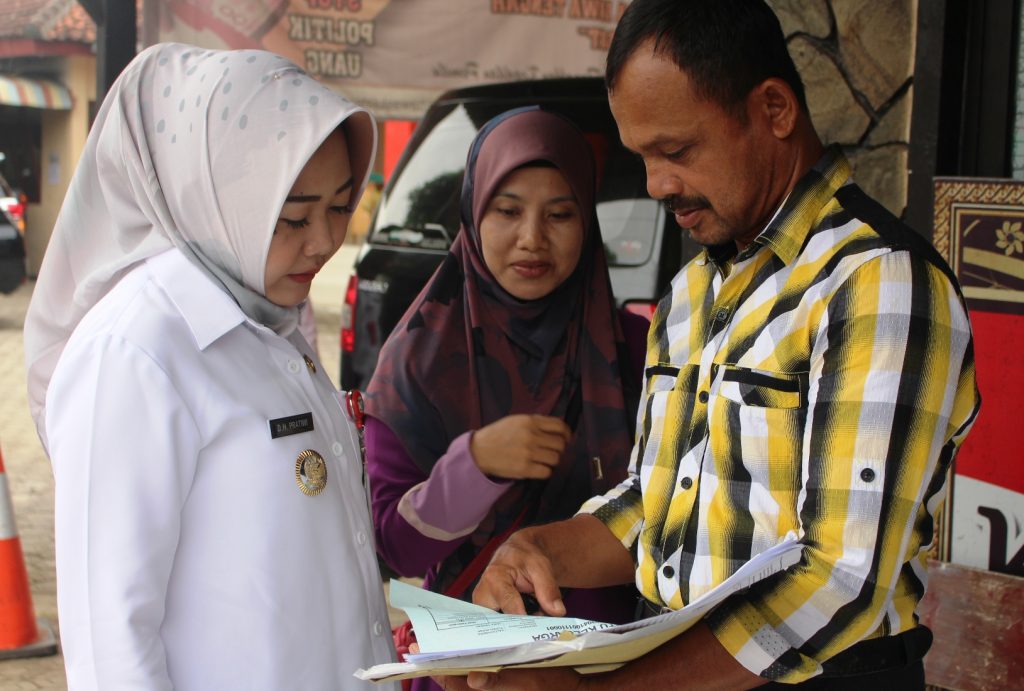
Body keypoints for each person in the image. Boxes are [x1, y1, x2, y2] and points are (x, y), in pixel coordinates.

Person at [458, 1, 982, 690]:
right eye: (642, 156)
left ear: (773, 110)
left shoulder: (877, 283)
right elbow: (658, 503)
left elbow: (840, 579)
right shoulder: (690, 292)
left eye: (676, 150)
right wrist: (538, 548)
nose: (656, 185)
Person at [23, 43, 398, 690]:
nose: (324, 242)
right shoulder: (136, 352)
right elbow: (111, 642)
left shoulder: (274, 320)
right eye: (293, 216)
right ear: (216, 196)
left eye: (341, 207)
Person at [362, 108, 647, 680]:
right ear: (473, 214)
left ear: (587, 222)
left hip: (603, 667)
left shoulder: (636, 351)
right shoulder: (417, 361)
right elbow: (394, 548)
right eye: (508, 211)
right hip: (470, 667)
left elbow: (677, 515)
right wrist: (474, 466)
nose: (532, 238)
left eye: (560, 214)